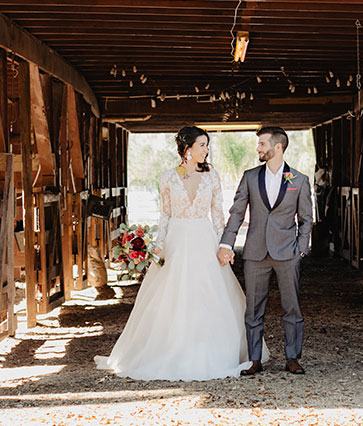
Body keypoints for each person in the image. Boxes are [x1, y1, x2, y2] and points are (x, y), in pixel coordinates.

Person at [94, 126, 267, 381]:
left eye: (208, 146)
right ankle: (168, 351)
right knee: (172, 298)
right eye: (202, 145)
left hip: (204, 240)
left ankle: (215, 352)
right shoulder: (167, 178)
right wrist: (159, 244)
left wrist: (225, 245)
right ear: (187, 149)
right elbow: (165, 215)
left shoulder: (212, 177)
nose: (206, 150)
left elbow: (218, 216)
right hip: (177, 242)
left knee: (210, 294)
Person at [218, 126, 313, 376]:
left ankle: (292, 357)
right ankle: (254, 359)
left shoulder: (300, 180)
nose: (258, 148)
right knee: (253, 309)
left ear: (278, 147)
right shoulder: (250, 177)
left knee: (292, 307)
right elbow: (237, 212)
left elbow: (306, 219)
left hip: (287, 253)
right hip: (255, 254)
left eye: (262, 144)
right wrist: (226, 243)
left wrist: (301, 249)